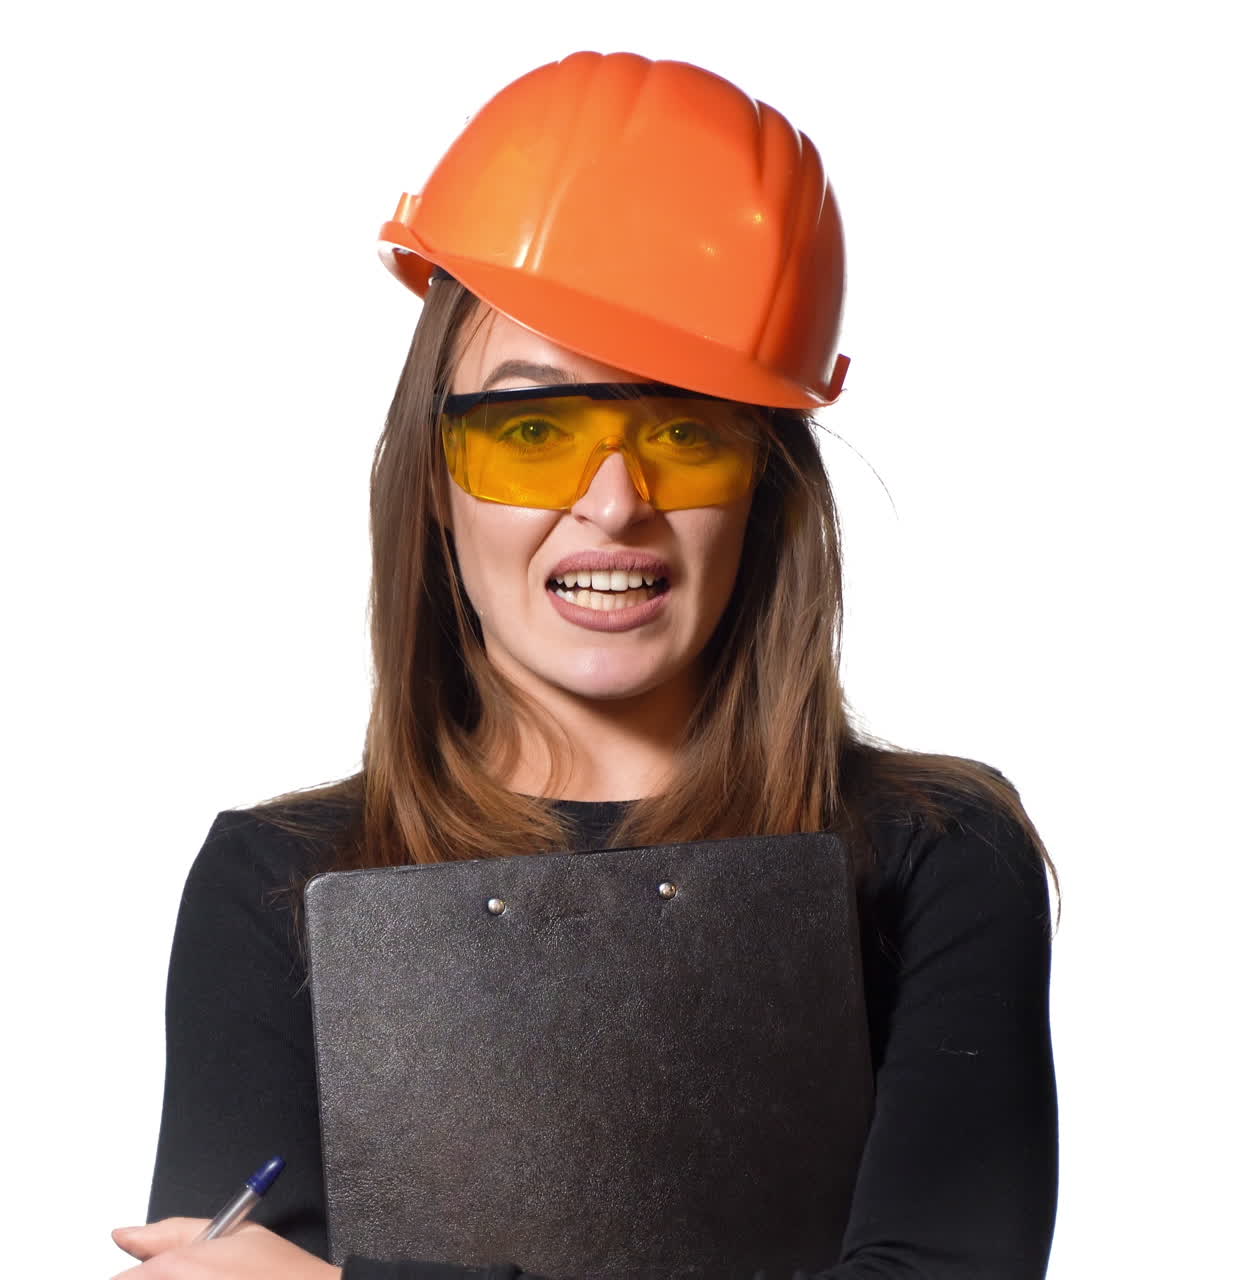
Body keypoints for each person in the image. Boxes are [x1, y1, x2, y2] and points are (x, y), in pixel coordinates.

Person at [112, 51, 1058, 1280]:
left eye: (681, 427)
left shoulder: (938, 852)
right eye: (531, 428)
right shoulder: (272, 881)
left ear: (766, 491)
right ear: (436, 487)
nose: (614, 501)